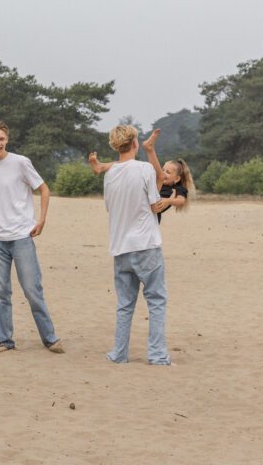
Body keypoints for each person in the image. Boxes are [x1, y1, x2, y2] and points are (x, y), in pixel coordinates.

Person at [0, 120, 64, 353]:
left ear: (7, 139)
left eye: (2, 139)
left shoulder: (21, 163)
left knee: (32, 289)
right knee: (0, 291)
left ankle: (50, 338)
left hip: (22, 235)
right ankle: (4, 340)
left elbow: (44, 189)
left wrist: (41, 219)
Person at [101, 125, 171, 365]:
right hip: (146, 244)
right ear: (134, 143)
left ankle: (119, 354)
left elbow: (110, 208)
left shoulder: (109, 174)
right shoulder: (144, 169)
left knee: (125, 304)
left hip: (120, 247)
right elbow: (154, 204)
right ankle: (158, 355)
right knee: (157, 300)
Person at [88, 129, 195, 223]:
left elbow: (181, 201)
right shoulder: (156, 177)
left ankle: (101, 166)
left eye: (168, 172)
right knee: (129, 165)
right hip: (148, 208)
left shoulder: (178, 187)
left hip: (153, 208)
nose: (164, 173)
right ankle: (101, 166)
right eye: (163, 169)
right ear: (134, 144)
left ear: (177, 179)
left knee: (134, 167)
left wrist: (169, 201)